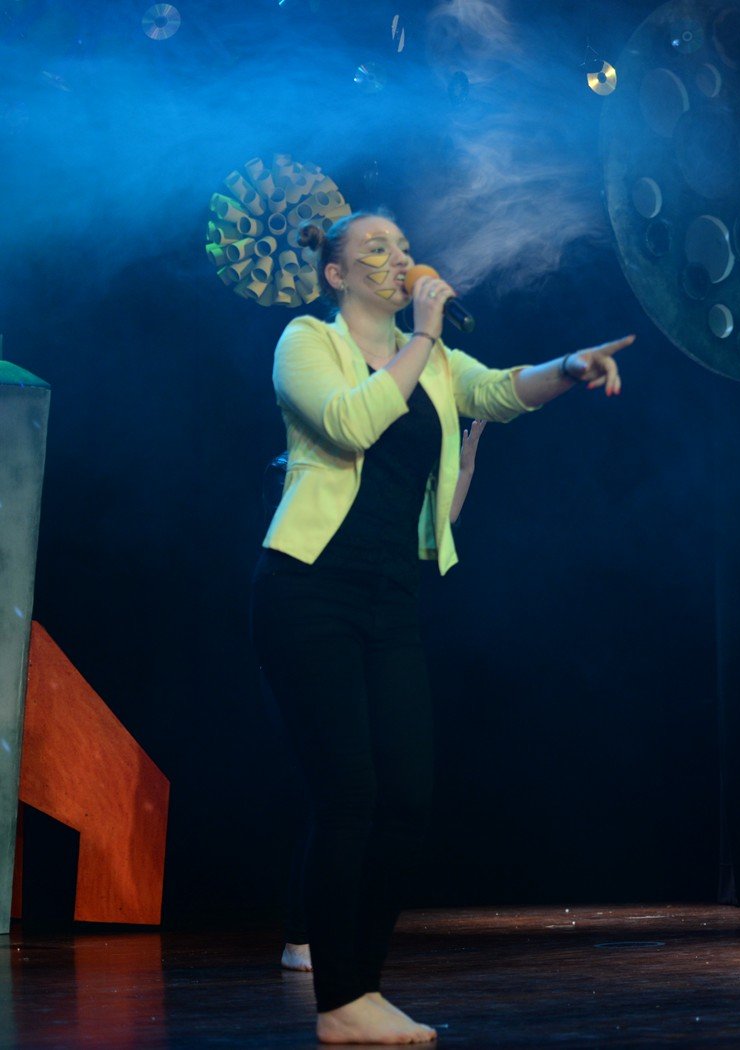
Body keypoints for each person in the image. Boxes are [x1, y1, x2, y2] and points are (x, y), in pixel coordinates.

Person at [251, 211, 631, 1043]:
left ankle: (360, 989)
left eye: (401, 246)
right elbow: (350, 423)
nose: (399, 259)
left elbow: (497, 391)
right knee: (348, 796)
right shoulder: (307, 342)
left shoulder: (435, 361)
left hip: (390, 597)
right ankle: (339, 999)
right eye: (375, 249)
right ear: (336, 276)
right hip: (309, 590)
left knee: (408, 798)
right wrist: (422, 335)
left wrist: (568, 367)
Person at [277, 419, 487, 976]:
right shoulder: (331, 464)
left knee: (389, 792)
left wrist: (465, 464)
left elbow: (439, 523)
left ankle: (343, 928)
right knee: (342, 791)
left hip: (381, 632)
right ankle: (302, 935)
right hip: (317, 626)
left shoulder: (399, 489)